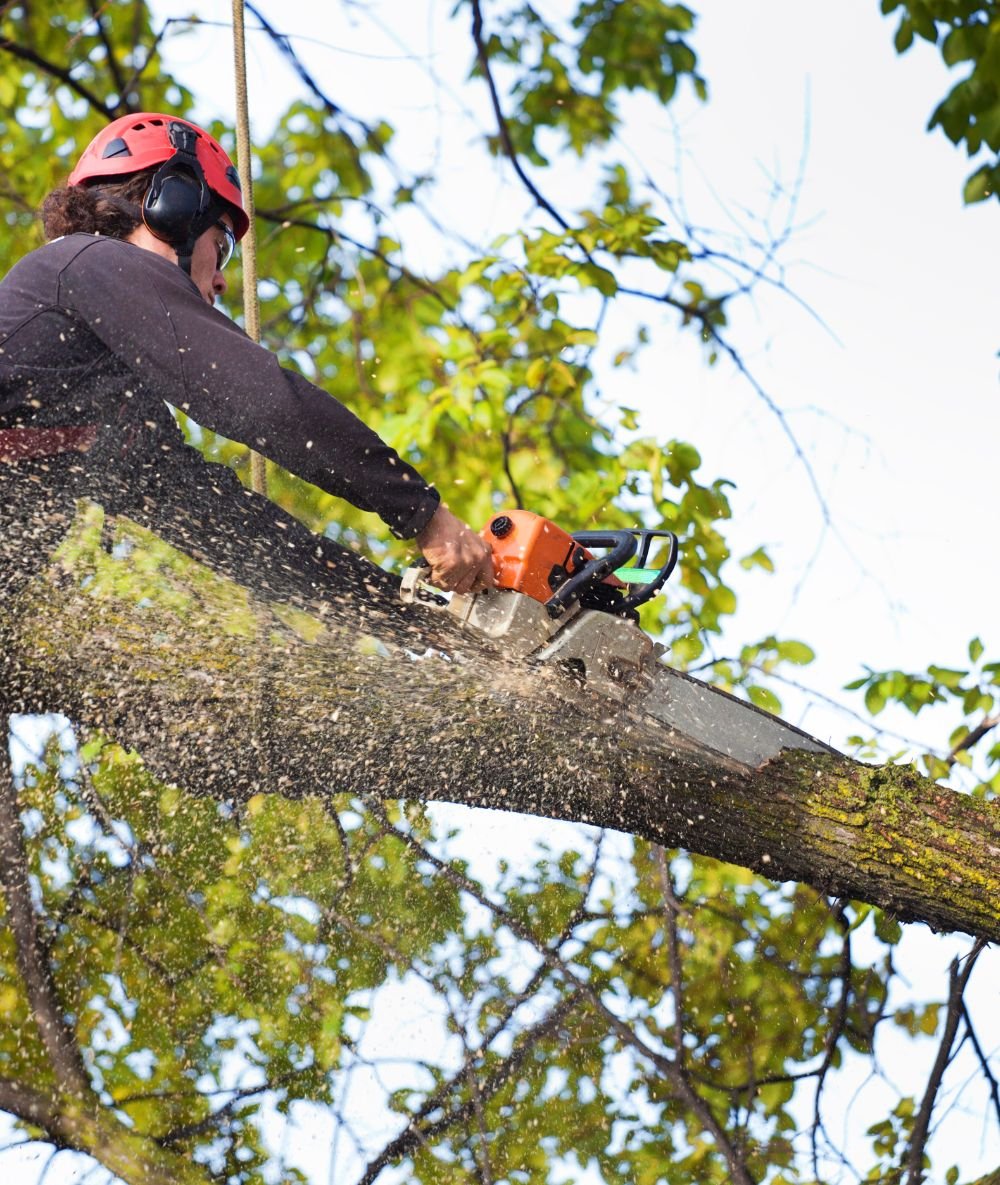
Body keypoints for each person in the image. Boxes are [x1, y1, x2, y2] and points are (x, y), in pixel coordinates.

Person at [0, 112, 494, 611]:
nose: (220, 280)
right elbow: (267, 403)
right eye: (221, 247)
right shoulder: (88, 262)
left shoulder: (113, 408)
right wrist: (422, 512)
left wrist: (421, 619)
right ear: (173, 207)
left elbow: (234, 530)